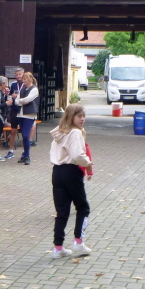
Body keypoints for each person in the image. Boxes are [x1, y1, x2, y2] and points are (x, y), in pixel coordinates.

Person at [49, 103, 93, 259]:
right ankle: (78, 241)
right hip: (71, 171)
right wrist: (87, 163)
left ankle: (58, 247)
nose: (82, 119)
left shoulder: (60, 132)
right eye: (79, 116)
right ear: (71, 117)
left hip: (57, 172)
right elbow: (77, 155)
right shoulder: (75, 133)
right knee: (83, 207)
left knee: (62, 211)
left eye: (83, 116)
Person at [12, 72, 40, 165]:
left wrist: (20, 101)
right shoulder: (23, 89)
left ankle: (27, 155)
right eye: (23, 79)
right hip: (21, 115)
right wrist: (20, 101)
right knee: (24, 135)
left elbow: (28, 100)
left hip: (29, 115)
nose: (23, 80)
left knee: (25, 135)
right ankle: (24, 155)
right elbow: (16, 101)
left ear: (30, 79)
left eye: (25, 79)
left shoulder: (34, 89)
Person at [4, 68, 24, 159]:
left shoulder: (26, 84)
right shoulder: (13, 84)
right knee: (13, 130)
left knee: (24, 132)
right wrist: (11, 95)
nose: (18, 76)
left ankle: (25, 152)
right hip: (15, 109)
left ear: (23, 74)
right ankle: (11, 150)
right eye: (17, 74)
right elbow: (10, 96)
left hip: (23, 110)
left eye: (20, 74)